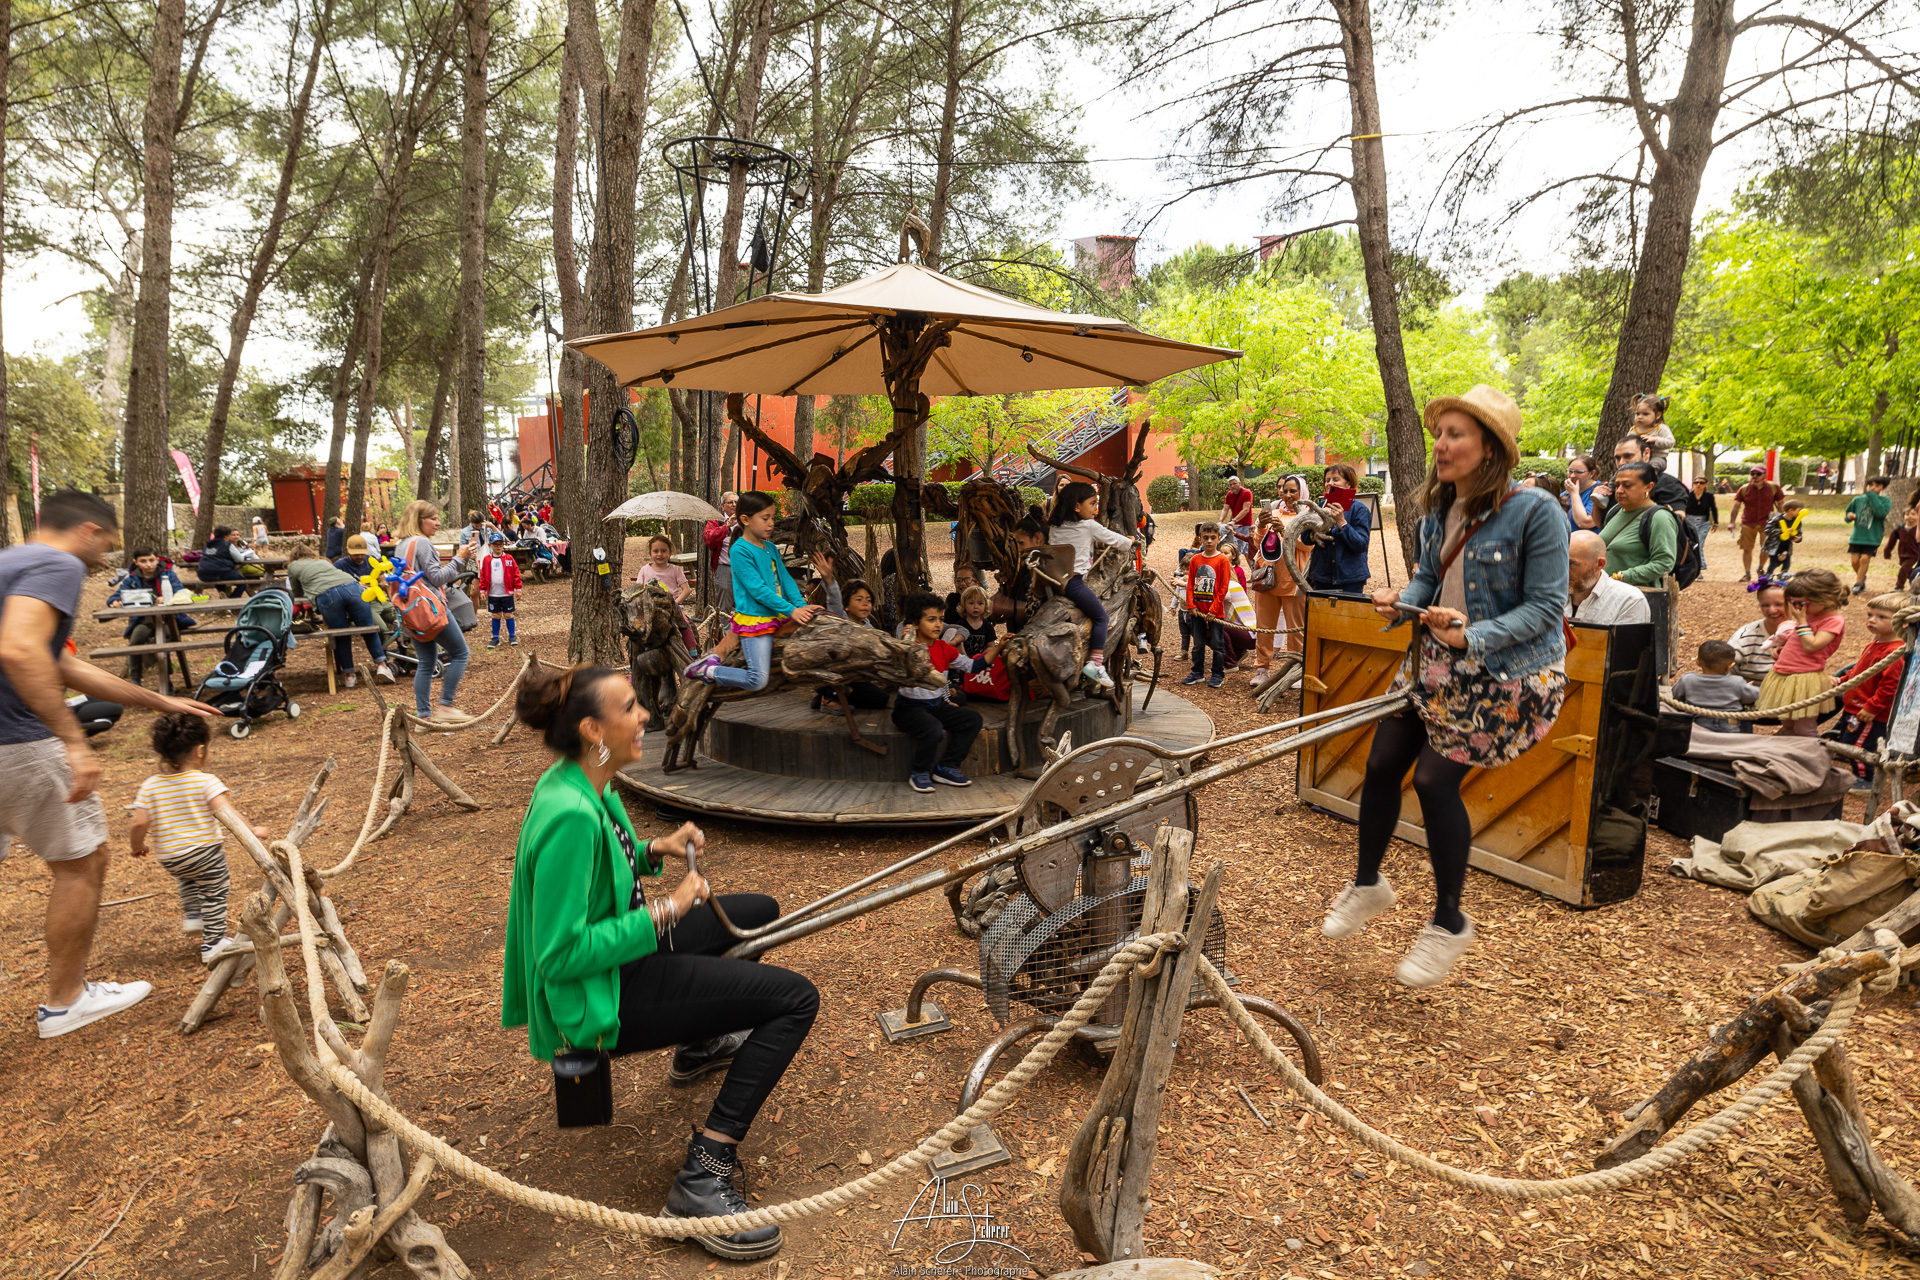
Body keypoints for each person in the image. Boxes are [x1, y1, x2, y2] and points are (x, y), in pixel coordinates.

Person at [503, 663, 817, 1261]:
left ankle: (698, 1045)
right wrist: (668, 909)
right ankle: (702, 1177)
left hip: (627, 955)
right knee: (795, 999)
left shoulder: (586, 779)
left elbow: (606, 868)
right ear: (594, 730)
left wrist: (656, 849)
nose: (645, 714)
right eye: (629, 707)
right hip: (606, 991)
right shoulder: (569, 813)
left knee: (760, 912)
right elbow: (560, 955)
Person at [1323, 385, 1567, 989]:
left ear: (1491, 448)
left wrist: (1472, 634)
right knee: (1382, 764)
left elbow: (1546, 608)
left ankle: (1449, 921)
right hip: (1436, 662)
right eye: (1440, 434)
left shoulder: (1535, 511)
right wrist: (1401, 603)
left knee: (1433, 781)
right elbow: (1428, 578)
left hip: (1505, 673)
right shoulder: (1438, 511)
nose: (1441, 445)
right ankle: (1368, 883)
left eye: (1456, 434)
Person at [2, 490, 219, 1038]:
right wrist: (72, 740)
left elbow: (59, 662)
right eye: (106, 546)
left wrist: (159, 701)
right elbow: (21, 650)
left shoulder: (8, 563)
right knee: (82, 863)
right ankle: (65, 1002)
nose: (104, 560)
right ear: (87, 531)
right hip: (16, 742)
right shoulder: (56, 564)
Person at [130, 713, 270, 963]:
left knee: (188, 877)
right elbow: (227, 814)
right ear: (200, 750)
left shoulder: (150, 785)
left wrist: (137, 845)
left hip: (171, 859)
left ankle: (194, 916)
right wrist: (252, 830)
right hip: (206, 854)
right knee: (215, 890)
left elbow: (139, 822)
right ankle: (213, 943)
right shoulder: (205, 781)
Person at [685, 492, 821, 690]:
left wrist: (801, 606)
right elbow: (758, 590)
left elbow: (786, 580)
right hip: (756, 620)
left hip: (778, 614)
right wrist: (792, 610)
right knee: (757, 680)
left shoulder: (770, 547)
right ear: (745, 519)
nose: (771, 523)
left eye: (772, 517)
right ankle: (709, 670)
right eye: (765, 518)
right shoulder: (739, 550)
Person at [893, 592, 1002, 792]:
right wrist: (903, 645)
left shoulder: (944, 648)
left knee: (972, 719)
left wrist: (999, 647)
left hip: (937, 706)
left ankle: (946, 767)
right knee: (933, 729)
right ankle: (919, 772)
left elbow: (973, 666)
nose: (938, 625)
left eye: (940, 619)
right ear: (915, 623)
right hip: (908, 709)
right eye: (931, 619)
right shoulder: (906, 648)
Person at [393, 500, 476, 720]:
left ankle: (424, 716)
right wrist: (460, 558)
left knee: (426, 662)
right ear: (419, 520)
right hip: (431, 609)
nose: (438, 523)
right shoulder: (422, 542)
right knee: (461, 653)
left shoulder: (401, 544)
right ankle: (445, 707)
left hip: (411, 613)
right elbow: (437, 578)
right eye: (433, 518)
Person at [1046, 482, 1134, 689]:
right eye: (1092, 503)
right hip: (1074, 583)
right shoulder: (1089, 526)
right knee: (1102, 617)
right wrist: (1131, 540)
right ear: (1077, 507)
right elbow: (1119, 542)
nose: (1096, 508)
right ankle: (1096, 663)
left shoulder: (1055, 526)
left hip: (1054, 582)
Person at [1828, 593, 1908, 788]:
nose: (1872, 620)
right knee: (1849, 740)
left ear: (1903, 622)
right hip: (1856, 707)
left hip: (1870, 713)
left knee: (1860, 746)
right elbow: (1859, 671)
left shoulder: (1895, 652)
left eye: (1882, 617)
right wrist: (1842, 681)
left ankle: (1865, 781)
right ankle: (1859, 773)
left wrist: (1873, 707)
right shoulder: (1875, 644)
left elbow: (1891, 686)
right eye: (1870, 614)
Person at [1756, 568, 1848, 736]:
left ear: (1824, 599)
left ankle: (1811, 751)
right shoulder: (1810, 615)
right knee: (1787, 723)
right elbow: (1800, 642)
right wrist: (1784, 651)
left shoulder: (1833, 620)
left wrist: (1802, 621)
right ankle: (1789, 749)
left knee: (1805, 727)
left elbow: (1812, 646)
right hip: (1785, 674)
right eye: (1793, 602)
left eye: (1802, 604)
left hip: (1804, 678)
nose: (1797, 608)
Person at [287, 545, 394, 688]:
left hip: (326, 594)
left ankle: (349, 675)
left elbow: (297, 593)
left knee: (341, 633)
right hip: (352, 586)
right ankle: (382, 665)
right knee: (368, 627)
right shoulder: (322, 561)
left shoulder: (293, 566)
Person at [106, 547, 198, 685]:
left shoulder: (168, 575)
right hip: (143, 620)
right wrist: (115, 601)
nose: (148, 564)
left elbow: (180, 592)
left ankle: (166, 680)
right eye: (143, 561)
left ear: (157, 560)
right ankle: (135, 679)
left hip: (169, 619)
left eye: (151, 560)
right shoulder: (131, 579)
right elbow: (117, 595)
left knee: (162, 642)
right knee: (135, 642)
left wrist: (167, 597)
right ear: (136, 562)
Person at [812, 562, 888, 713]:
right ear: (846, 606)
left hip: (853, 678)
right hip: (833, 672)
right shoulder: (839, 619)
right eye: (859, 599)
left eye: (868, 600)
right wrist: (828, 579)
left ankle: (831, 697)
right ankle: (828, 698)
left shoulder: (869, 628)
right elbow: (834, 599)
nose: (865, 603)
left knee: (882, 699)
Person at [1597, 462, 1677, 586]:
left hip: (1636, 594)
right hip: (1606, 590)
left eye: (1627, 485)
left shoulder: (1659, 517)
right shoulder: (1615, 510)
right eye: (1617, 485)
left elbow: (1664, 563)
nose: (1619, 491)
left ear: (1648, 487)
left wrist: (1622, 577)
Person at [1305, 464, 1372, 593]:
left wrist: (1342, 522)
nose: (1330, 483)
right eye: (1327, 480)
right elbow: (1305, 538)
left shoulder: (1359, 509)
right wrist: (1316, 531)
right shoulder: (1320, 506)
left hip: (1350, 578)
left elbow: (1361, 545)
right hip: (1322, 577)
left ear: (1348, 484)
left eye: (1336, 479)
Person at [1182, 522, 1232, 688]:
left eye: (1212, 537)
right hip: (1197, 610)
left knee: (1217, 644)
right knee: (1198, 644)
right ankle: (1197, 672)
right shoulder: (1195, 559)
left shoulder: (1222, 560)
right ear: (1200, 539)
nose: (1209, 541)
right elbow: (1190, 583)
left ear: (1219, 539)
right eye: (1206, 538)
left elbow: (1223, 587)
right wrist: (1191, 605)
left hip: (1215, 612)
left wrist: (1214, 609)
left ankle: (1217, 674)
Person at [1565, 530, 1652, 626]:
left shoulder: (1629, 600)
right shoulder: (1553, 594)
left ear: (1599, 564)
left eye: (1571, 564)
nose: (1563, 570)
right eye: (1560, 562)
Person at [1671, 641, 1759, 734]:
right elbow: (1753, 696)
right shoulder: (1736, 682)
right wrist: (1746, 688)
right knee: (1745, 715)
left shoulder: (1688, 679)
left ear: (1697, 661)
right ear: (1730, 666)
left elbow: (1676, 695)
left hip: (1696, 725)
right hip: (1729, 726)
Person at [1248, 505, 1290, 690]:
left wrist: (1285, 531)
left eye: (1292, 491)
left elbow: (1306, 545)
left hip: (1292, 579)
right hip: (1266, 579)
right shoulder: (1273, 512)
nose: (1287, 494)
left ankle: (1296, 669)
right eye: (1283, 491)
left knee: (1296, 628)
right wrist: (1261, 526)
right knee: (1264, 627)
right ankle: (1262, 669)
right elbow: (1258, 544)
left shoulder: (1305, 515)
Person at [334, 533, 401, 639]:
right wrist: (355, 586)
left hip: (380, 598)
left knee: (404, 621)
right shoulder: (340, 565)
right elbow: (336, 588)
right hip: (363, 603)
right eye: (356, 554)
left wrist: (383, 582)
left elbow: (382, 577)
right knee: (382, 629)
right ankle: (382, 649)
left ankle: (404, 647)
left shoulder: (370, 560)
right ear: (348, 550)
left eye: (362, 554)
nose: (360, 557)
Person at [989, 515, 1048, 630]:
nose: (1019, 550)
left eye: (1021, 543)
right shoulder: (1028, 566)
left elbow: (1042, 609)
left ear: (1038, 538)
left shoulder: (1046, 568)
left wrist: (1008, 607)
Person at [1731, 466, 1783, 583]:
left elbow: (1780, 504)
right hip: (1748, 522)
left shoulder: (1773, 488)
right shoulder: (1744, 489)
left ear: (1764, 475)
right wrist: (1732, 522)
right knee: (1747, 548)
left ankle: (1760, 569)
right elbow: (1736, 506)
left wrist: (1782, 519)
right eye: (1752, 474)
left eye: (1758, 474)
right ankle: (1747, 573)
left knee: (1766, 548)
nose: (1755, 476)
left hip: (1768, 523)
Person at [1729, 582, 1789, 684]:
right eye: (1765, 605)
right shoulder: (1745, 637)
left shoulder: (1806, 633)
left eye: (1779, 604)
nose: (1772, 610)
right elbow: (1718, 669)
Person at [1608, 435, 1687, 510]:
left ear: (1646, 454)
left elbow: (1677, 517)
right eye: (1618, 458)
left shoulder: (1669, 485)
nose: (1621, 462)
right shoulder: (1612, 487)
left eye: (1628, 456)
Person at [1845, 476, 1892, 595]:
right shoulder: (1857, 500)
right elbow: (1847, 514)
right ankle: (1862, 577)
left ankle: (1858, 584)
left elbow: (1880, 513)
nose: (1873, 488)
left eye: (1877, 486)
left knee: (1865, 559)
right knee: (1855, 562)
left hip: (1873, 537)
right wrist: (1849, 516)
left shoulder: (1885, 501)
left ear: (1883, 488)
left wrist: (1872, 497)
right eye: (1871, 485)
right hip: (1857, 536)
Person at [476, 533, 524, 649]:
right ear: (490, 545)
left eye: (500, 544)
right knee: (496, 615)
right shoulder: (487, 559)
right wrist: (482, 591)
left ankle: (512, 636)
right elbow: (483, 575)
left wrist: (518, 589)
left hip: (506, 592)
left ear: (503, 545)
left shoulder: (509, 558)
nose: (498, 547)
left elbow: (516, 573)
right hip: (493, 593)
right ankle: (495, 637)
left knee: (508, 614)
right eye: (495, 544)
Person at [703, 492, 739, 613]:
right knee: (724, 608)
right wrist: (726, 527)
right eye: (730, 502)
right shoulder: (716, 521)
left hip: (745, 568)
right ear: (722, 505)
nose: (734, 505)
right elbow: (709, 540)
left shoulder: (746, 520)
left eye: (736, 502)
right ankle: (724, 626)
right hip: (724, 568)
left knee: (746, 605)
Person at [635, 534, 693, 603]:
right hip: (650, 606)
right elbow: (637, 591)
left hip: (671, 605)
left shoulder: (676, 570)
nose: (660, 554)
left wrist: (675, 603)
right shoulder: (644, 570)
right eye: (656, 551)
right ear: (650, 553)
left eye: (663, 551)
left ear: (670, 552)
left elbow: (687, 590)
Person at [1761, 500, 1807, 580]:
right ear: (1790, 510)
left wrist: (1798, 538)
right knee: (1774, 563)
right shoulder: (1776, 519)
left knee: (1787, 562)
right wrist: (1782, 531)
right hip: (1774, 546)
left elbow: (1798, 532)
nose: (1800, 512)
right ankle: (1769, 575)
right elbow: (1767, 531)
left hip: (1787, 546)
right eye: (1799, 510)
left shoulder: (1797, 521)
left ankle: (1783, 574)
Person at [1629, 393, 1674, 472]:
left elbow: (1671, 442)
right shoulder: (1633, 431)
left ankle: (1651, 477)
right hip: (1638, 459)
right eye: (1637, 414)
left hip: (1657, 458)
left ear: (1658, 415)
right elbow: (1627, 445)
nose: (1640, 417)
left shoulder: (1660, 428)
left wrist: (1655, 439)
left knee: (1652, 468)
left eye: (1645, 414)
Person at [1684, 474, 1719, 571]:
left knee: (1699, 543)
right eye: (1696, 482)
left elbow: (1713, 509)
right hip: (1689, 522)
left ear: (1706, 484)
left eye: (1701, 483)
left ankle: (1699, 566)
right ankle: (1693, 565)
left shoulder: (1709, 496)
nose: (1698, 484)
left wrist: (1716, 522)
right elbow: (1683, 508)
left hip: (1703, 522)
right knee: (1690, 544)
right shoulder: (1688, 495)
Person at [197, 525, 245, 595]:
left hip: (203, 574)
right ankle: (232, 599)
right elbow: (240, 559)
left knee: (220, 580)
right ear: (225, 536)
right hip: (221, 572)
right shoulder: (227, 544)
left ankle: (223, 593)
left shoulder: (207, 545)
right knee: (243, 583)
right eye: (229, 535)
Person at [1885, 503, 1920, 590]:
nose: (1909, 516)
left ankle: (1899, 586)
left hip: (1914, 554)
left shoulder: (1918, 530)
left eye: (1913, 514)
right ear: (1903, 516)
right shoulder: (1899, 529)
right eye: (1907, 514)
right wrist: (1887, 551)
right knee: (1908, 572)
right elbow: (1891, 541)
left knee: (1903, 570)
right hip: (1902, 554)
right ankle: (1916, 581)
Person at [1218, 474, 1255, 554]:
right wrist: (1220, 521)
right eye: (1230, 485)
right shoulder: (1229, 494)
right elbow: (1225, 509)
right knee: (1245, 551)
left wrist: (1234, 520)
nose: (1232, 486)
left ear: (1240, 483)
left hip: (1245, 525)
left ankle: (1240, 562)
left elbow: (1246, 509)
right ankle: (1251, 562)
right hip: (1235, 526)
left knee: (1238, 550)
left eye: (1234, 484)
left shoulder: (1247, 493)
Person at [1564, 456, 1602, 530]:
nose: (1572, 475)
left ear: (1592, 473)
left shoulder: (1600, 491)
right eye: (1570, 471)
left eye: (1579, 472)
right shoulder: (1566, 493)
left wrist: (1574, 494)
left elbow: (1585, 522)